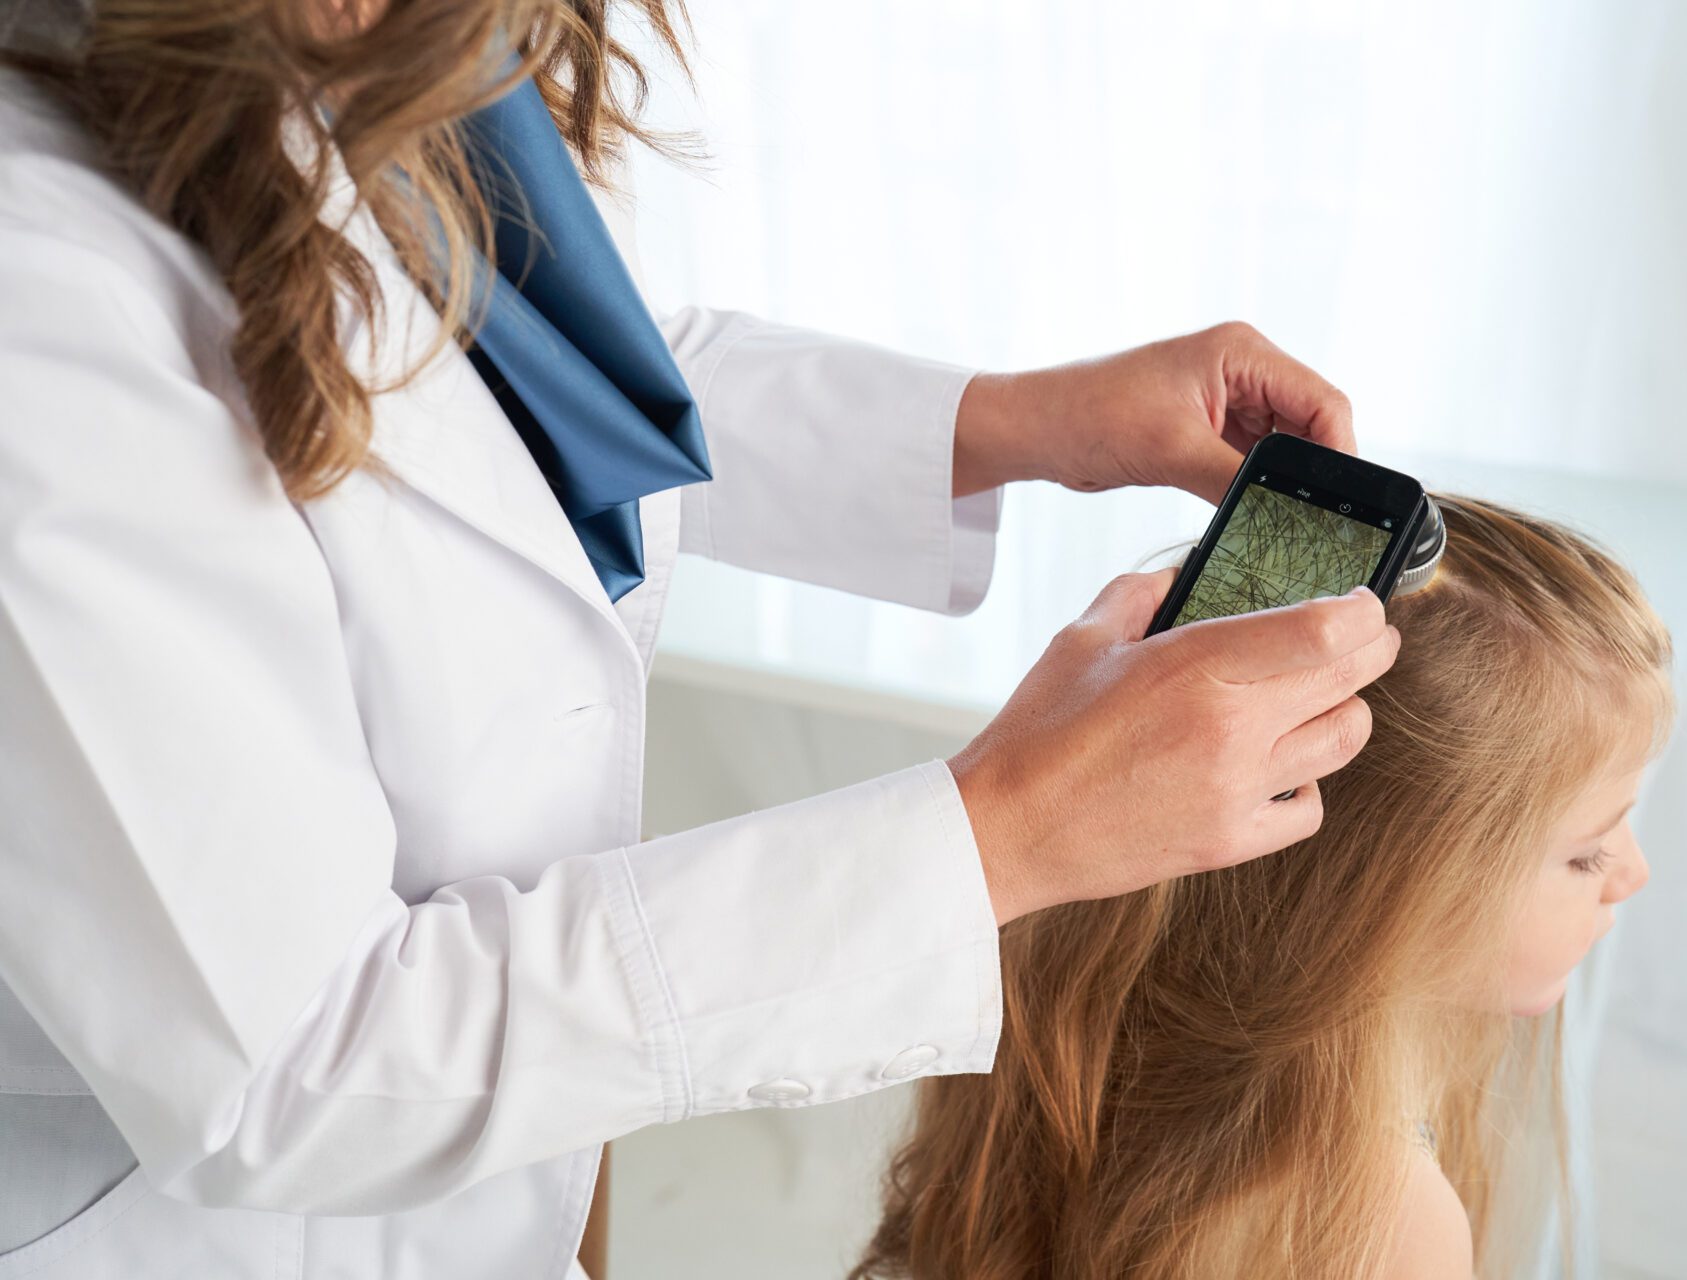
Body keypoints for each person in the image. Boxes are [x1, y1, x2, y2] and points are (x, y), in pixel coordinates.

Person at [0, 4, 1400, 1277]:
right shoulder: (42, 291)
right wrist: (1007, 832)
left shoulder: (382, 47)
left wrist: (1015, 422)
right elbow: (297, 1065)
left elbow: (517, 375)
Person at [854, 494, 1673, 1280]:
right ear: (1388, 897)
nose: (1632, 876)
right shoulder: (1378, 1226)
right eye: (1588, 854)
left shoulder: (1065, 1024)